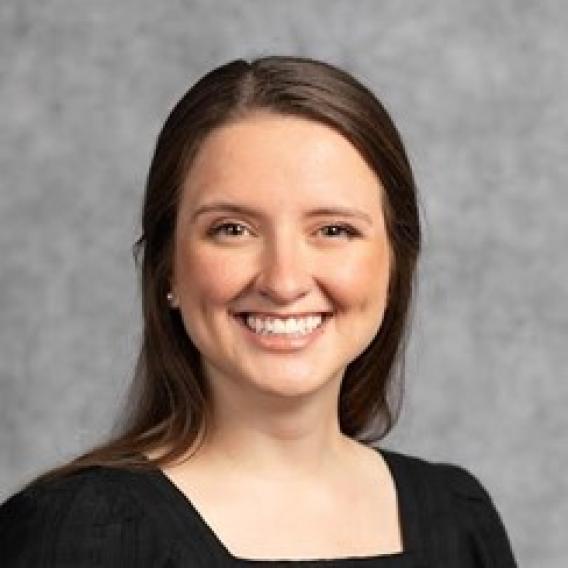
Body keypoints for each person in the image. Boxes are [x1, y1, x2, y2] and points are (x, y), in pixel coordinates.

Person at [0, 55, 517, 567]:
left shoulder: (460, 518)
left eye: (333, 230)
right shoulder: (73, 534)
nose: (284, 281)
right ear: (168, 269)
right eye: (233, 229)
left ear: (393, 267)